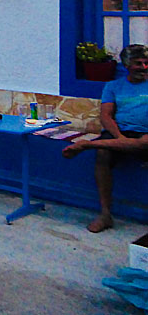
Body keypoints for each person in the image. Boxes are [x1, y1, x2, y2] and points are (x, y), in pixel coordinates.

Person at [61, 44, 148, 233]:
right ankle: (105, 214)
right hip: (121, 132)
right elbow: (106, 116)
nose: (143, 67)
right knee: (103, 155)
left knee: (144, 143)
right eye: (138, 63)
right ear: (126, 65)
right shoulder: (113, 86)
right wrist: (120, 138)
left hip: (145, 134)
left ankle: (85, 145)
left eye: (146, 63)